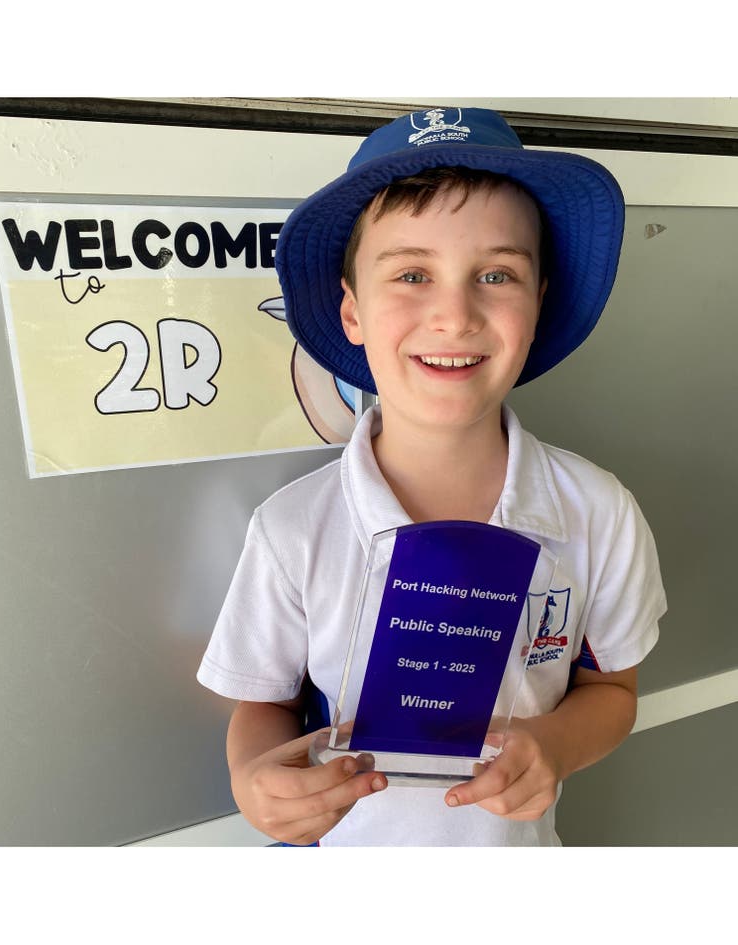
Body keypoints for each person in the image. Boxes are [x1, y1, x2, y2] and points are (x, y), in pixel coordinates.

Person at [197, 105, 667, 846]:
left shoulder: (597, 511)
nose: (455, 315)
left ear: (538, 303)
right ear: (352, 311)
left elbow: (611, 689)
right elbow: (263, 701)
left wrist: (556, 745)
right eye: (412, 273)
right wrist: (254, 778)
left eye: (496, 273)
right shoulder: (293, 527)